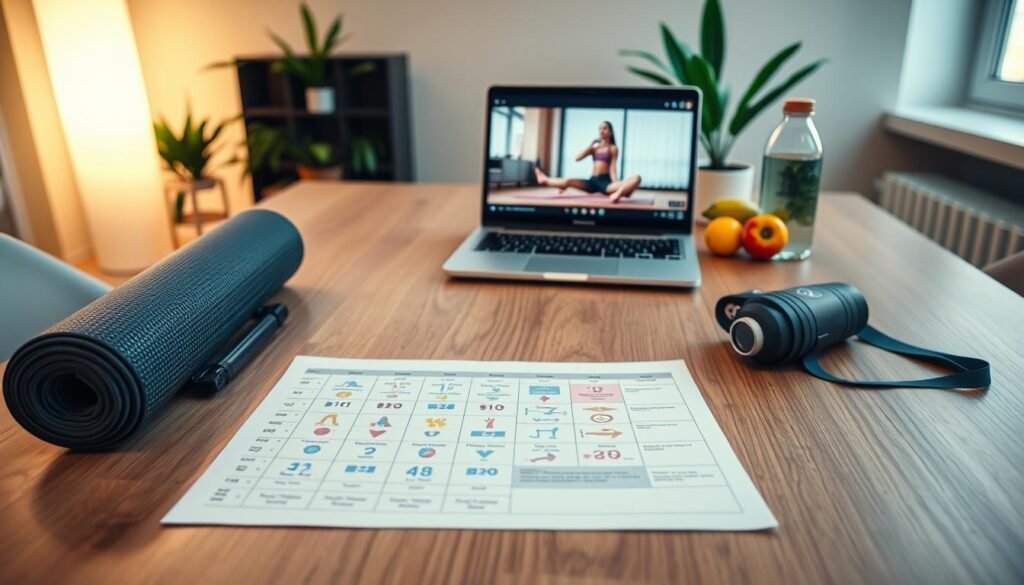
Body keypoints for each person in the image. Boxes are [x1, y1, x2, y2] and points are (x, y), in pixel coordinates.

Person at [533, 121, 642, 203]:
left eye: (604, 128)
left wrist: (617, 184)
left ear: (610, 132)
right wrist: (590, 146)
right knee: (568, 181)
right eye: (599, 128)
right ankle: (545, 180)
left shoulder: (613, 148)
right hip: (592, 181)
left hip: (606, 183)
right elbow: (577, 158)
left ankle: (618, 193)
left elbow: (612, 168)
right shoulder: (594, 148)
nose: (601, 131)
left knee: (637, 178)